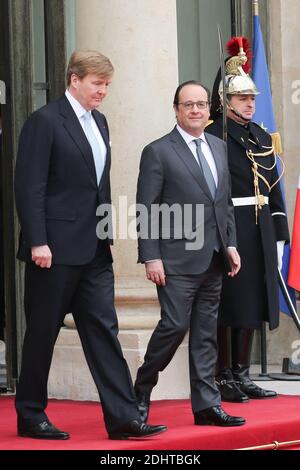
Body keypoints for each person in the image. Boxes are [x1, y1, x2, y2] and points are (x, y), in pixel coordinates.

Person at [14, 50, 166, 440]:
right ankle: (31, 414)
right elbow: (29, 186)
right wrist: (38, 241)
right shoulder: (44, 121)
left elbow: (96, 188)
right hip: (52, 252)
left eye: (107, 85)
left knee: (103, 331)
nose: (103, 92)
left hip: (94, 250)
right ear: (75, 79)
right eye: (97, 83)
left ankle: (123, 418)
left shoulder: (100, 122)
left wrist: (105, 235)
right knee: (42, 334)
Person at [134, 80, 246, 427]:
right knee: (174, 326)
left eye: (201, 104)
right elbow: (146, 209)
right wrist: (150, 256)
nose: (196, 110)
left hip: (213, 257)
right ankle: (141, 388)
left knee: (205, 333)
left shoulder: (217, 146)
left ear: (209, 108)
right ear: (176, 109)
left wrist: (230, 243)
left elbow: (223, 203)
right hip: (175, 260)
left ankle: (206, 404)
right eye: (188, 105)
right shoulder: (158, 151)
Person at [206, 37, 290, 402]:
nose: (251, 103)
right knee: (231, 301)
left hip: (260, 226)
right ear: (225, 101)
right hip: (233, 224)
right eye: (242, 98)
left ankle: (242, 373)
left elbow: (273, 186)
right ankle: (223, 374)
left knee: (255, 300)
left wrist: (279, 230)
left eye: (252, 98)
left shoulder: (260, 136)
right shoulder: (214, 134)